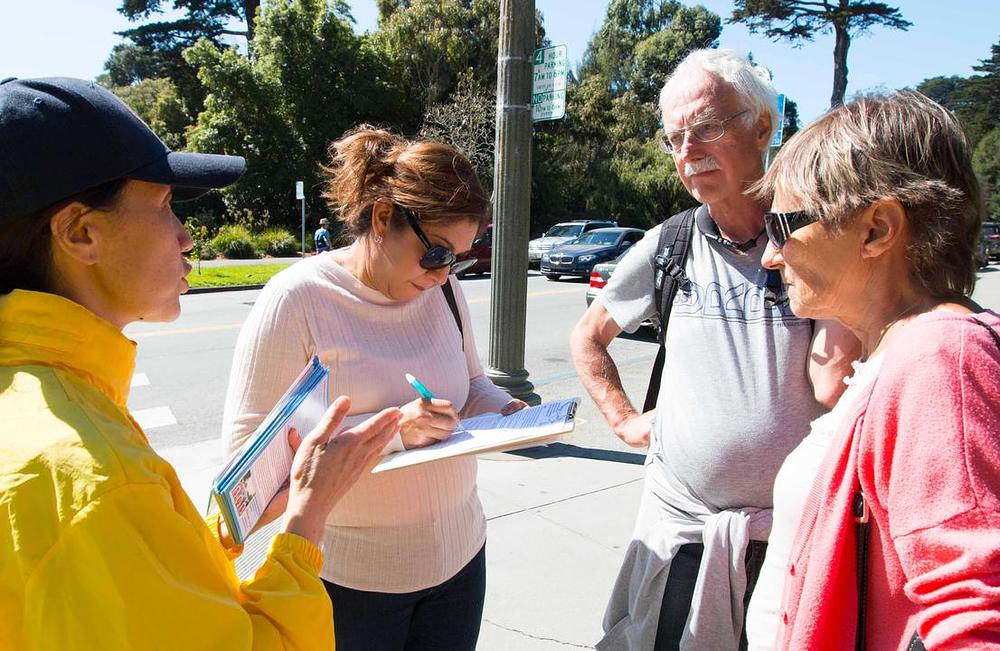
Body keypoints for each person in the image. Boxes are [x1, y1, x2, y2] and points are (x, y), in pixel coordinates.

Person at [0, 77, 403, 650]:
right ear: (80, 232)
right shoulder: (100, 477)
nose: (186, 238)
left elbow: (130, 586)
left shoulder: (40, 402)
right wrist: (306, 519)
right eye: (165, 206)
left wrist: (228, 527)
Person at [569, 49, 859, 650]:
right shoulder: (669, 243)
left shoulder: (816, 238)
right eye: (674, 138)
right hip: (682, 535)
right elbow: (588, 336)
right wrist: (623, 419)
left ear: (762, 126)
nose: (688, 150)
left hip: (796, 537)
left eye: (705, 128)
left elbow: (836, 381)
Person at [221, 125, 526, 651]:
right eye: (436, 254)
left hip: (460, 561)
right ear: (384, 218)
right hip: (351, 582)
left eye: (459, 258)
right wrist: (395, 430)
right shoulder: (297, 299)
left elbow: (473, 383)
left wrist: (510, 412)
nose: (444, 274)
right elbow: (244, 473)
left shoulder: (444, 290)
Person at [751, 91, 1000, 649]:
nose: (771, 256)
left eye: (783, 227)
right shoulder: (908, 351)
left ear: (878, 229)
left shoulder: (942, 358)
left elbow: (977, 620)